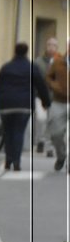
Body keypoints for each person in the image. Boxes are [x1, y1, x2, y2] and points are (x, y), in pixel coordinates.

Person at [0, 42, 51, 172]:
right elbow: (41, 85)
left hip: (6, 104)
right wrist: (46, 102)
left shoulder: (6, 67)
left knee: (8, 132)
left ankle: (8, 160)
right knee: (19, 132)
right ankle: (16, 161)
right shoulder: (31, 67)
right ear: (26, 52)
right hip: (24, 105)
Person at [47, 38, 69, 172]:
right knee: (56, 133)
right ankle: (61, 156)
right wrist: (55, 86)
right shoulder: (58, 62)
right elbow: (48, 77)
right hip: (59, 102)